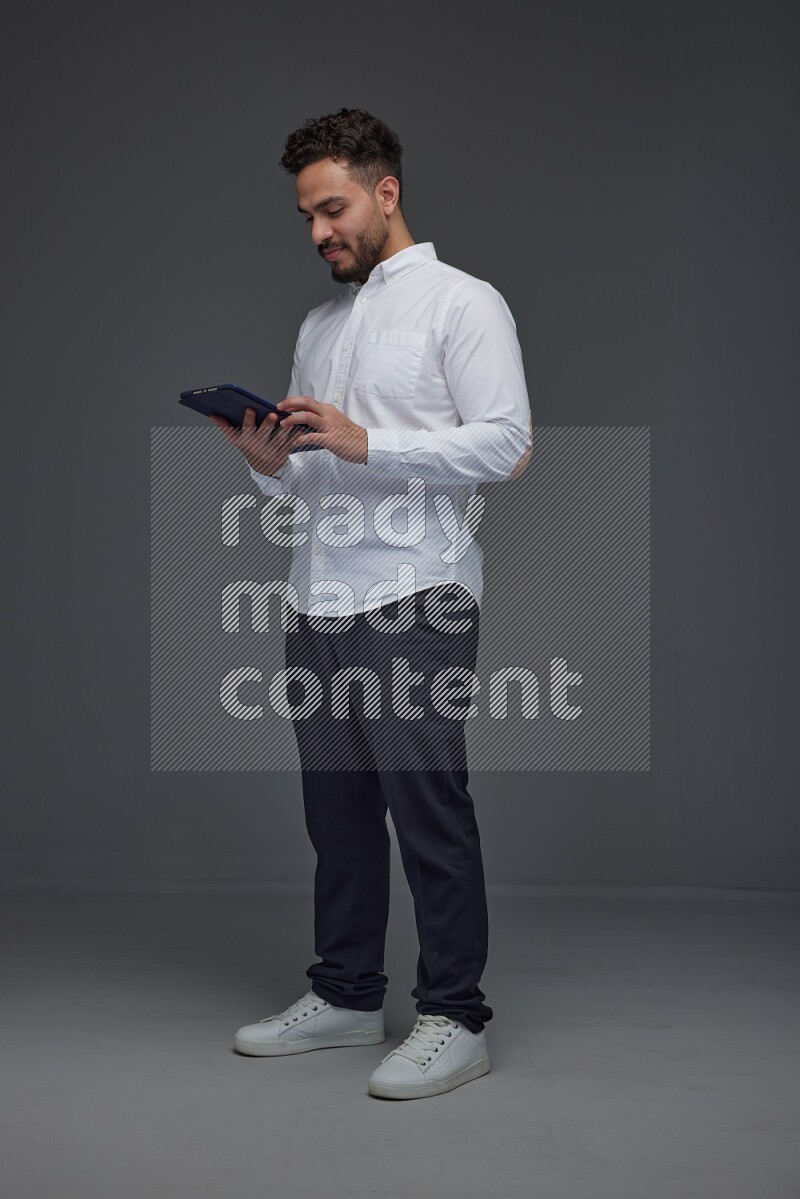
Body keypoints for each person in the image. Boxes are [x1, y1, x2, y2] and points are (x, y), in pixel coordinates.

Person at [212, 108, 532, 1100]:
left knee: (426, 807)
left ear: (384, 192)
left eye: (333, 208)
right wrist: (272, 467)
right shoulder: (319, 326)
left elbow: (507, 443)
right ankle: (347, 993)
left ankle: (454, 1015)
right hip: (317, 595)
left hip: (413, 594)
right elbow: (314, 480)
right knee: (338, 815)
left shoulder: (461, 304)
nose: (319, 232)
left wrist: (367, 443)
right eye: (307, 216)